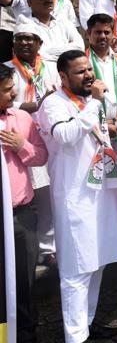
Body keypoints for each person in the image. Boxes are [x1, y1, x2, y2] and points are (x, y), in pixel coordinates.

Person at [37, 49, 117, 343]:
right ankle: (75, 337)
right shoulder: (54, 103)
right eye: (80, 72)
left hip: (102, 192)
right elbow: (66, 136)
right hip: (74, 197)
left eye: (89, 70)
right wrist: (94, 104)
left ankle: (87, 325)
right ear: (63, 76)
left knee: (98, 262)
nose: (88, 75)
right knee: (76, 270)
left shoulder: (90, 103)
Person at [4, 20, 59, 268]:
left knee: (47, 197)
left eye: (30, 38)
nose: (25, 42)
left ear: (40, 44)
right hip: (15, 135)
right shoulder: (5, 70)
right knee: (23, 194)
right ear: (13, 44)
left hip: (44, 135)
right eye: (20, 38)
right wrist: (33, 106)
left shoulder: (50, 68)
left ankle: (47, 249)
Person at [0, 63, 48, 343]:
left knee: (24, 278)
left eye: (13, 87)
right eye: (7, 90)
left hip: (21, 214)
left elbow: (41, 156)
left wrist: (22, 146)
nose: (14, 93)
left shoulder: (22, 118)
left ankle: (27, 331)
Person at [85, 14, 117, 148]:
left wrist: (116, 122)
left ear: (113, 35)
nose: (102, 36)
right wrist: (102, 124)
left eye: (107, 32)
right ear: (88, 34)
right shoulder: (81, 62)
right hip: (91, 130)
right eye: (98, 32)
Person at [17, 0, 83, 63]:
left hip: (67, 71)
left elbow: (80, 47)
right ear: (29, 2)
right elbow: (36, 54)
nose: (48, 0)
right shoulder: (24, 25)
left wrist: (48, 51)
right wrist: (68, 51)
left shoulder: (64, 22)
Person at [2, 0, 78, 27]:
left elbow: (75, 28)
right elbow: (6, 0)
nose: (48, 0)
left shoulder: (64, 0)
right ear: (29, 2)